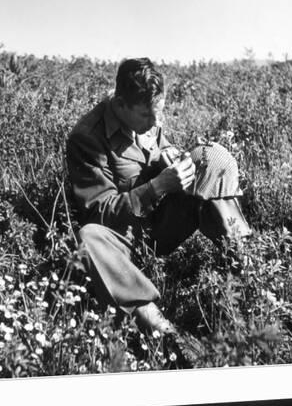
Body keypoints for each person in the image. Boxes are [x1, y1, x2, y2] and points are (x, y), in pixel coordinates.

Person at [66, 57, 250, 341]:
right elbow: (99, 211)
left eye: (159, 113)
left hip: (161, 222)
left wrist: (172, 158)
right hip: (122, 241)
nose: (155, 122)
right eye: (146, 116)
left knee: (211, 160)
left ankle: (249, 269)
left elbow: (159, 147)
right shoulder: (87, 137)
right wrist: (156, 187)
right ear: (121, 103)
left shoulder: (148, 116)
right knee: (89, 238)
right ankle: (164, 334)